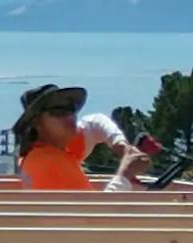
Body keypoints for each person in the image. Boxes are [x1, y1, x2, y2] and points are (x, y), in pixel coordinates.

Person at [13, 82, 158, 191]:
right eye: (59, 112)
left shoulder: (40, 152)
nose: (70, 117)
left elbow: (95, 122)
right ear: (37, 122)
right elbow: (95, 217)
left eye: (72, 110)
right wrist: (125, 174)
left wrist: (120, 144)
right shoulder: (51, 162)